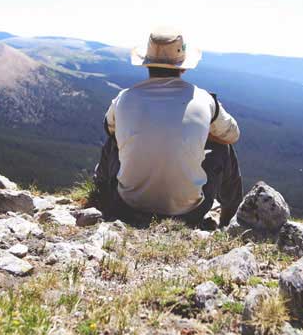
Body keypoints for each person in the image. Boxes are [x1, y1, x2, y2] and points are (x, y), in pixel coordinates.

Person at [94, 26, 243, 227]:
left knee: (113, 140)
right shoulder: (205, 100)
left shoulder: (124, 98)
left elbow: (109, 129)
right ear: (183, 66)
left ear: (147, 64)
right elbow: (232, 135)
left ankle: (100, 197)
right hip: (189, 213)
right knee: (224, 148)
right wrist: (201, 132)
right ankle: (229, 219)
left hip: (127, 206)